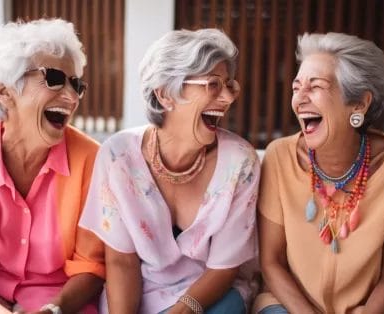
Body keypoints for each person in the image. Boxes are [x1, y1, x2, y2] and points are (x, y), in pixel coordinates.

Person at [79, 28, 260, 314]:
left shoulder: (240, 162)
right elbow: (121, 262)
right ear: (165, 94)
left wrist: (182, 309)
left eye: (230, 85)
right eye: (213, 84)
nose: (227, 97)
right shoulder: (118, 156)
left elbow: (224, 268)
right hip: (141, 292)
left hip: (210, 296)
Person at [0, 18, 105, 313]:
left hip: (62, 303)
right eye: (53, 78)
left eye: (76, 84)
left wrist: (54, 309)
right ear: (4, 91)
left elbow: (90, 267)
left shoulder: (92, 160)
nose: (72, 96)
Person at [254, 32, 384, 313]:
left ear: (359, 103)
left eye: (315, 86)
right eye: (297, 87)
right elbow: (271, 263)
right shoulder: (279, 156)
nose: (300, 98)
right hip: (290, 307)